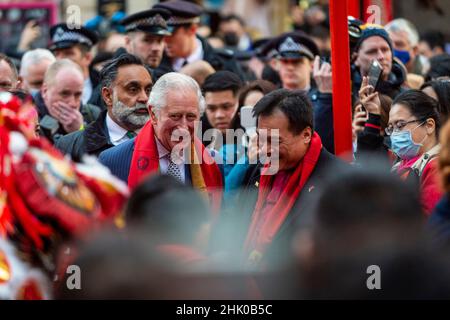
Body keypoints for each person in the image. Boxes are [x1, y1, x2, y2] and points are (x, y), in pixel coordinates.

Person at [213, 89, 344, 269]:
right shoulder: (258, 169)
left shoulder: (335, 181)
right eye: (261, 139)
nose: (266, 149)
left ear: (306, 135)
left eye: (275, 141)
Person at [98, 72, 222, 211]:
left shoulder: (213, 162)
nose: (183, 126)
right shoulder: (112, 161)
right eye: (175, 116)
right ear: (153, 114)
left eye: (191, 117)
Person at [55, 53, 153, 162]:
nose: (144, 98)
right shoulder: (70, 146)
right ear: (108, 95)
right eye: (133, 89)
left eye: (148, 90)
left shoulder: (167, 141)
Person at [153, 0, 245, 79]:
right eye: (162, 36)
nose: (164, 42)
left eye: (170, 35)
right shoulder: (154, 63)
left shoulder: (226, 63)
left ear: (192, 29)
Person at [387, 90, 443, 214]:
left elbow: (428, 222)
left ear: (429, 126)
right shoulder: (402, 163)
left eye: (400, 125)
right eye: (391, 128)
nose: (395, 133)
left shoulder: (436, 166)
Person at [34, 59, 101, 144]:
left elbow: (99, 155)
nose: (72, 103)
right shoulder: (28, 119)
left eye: (78, 94)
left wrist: (79, 131)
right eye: (64, 94)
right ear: (45, 91)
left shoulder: (93, 115)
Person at [351, 25, 406, 102]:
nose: (381, 56)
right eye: (372, 51)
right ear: (356, 59)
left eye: (385, 50)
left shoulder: (406, 97)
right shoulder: (346, 93)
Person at [48, 24, 100, 105]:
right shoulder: (47, 90)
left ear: (87, 58)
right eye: (56, 54)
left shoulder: (105, 87)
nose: (59, 59)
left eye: (68, 53)